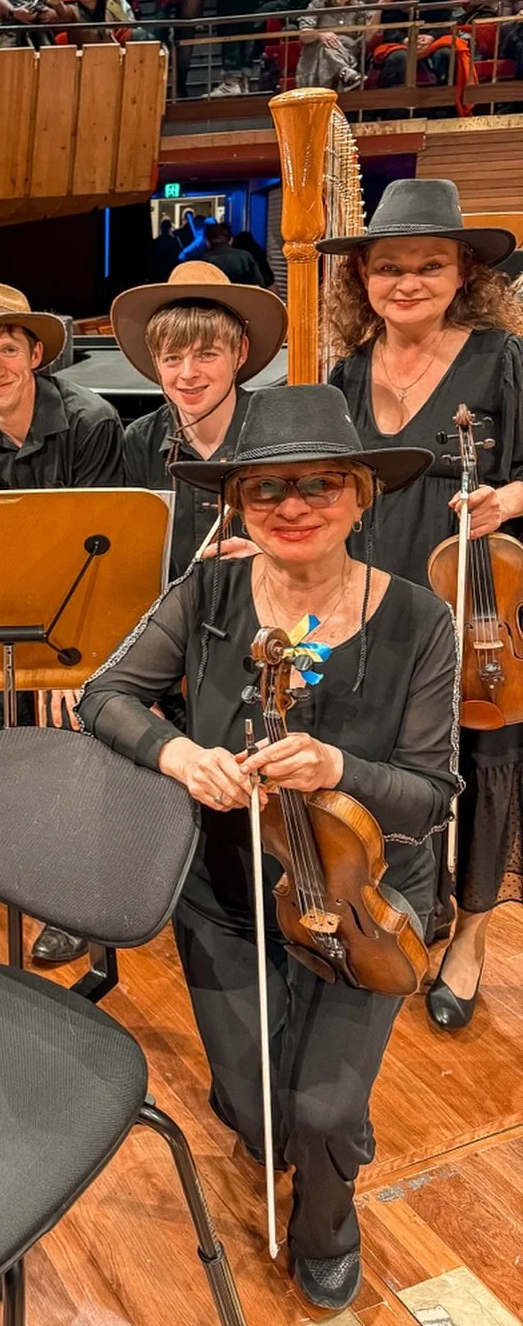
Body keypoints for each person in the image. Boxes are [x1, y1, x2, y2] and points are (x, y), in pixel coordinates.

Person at [80, 381, 455, 1313]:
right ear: (237, 504)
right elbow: (105, 695)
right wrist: (176, 752)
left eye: (320, 485)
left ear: (361, 496)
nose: (293, 507)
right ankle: (278, 1129)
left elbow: (432, 795)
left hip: (363, 904)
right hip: (229, 889)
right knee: (254, 1108)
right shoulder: (206, 592)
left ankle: (330, 1222)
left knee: (324, 1114)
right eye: (266, 490)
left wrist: (338, 767)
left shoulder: (421, 620)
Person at [324, 180, 523, 1033]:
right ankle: (408, 902)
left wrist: (508, 503)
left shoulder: (502, 358)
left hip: (478, 604)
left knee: (487, 763)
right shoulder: (348, 370)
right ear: (363, 277)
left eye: (429, 266)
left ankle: (470, 937)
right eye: (389, 267)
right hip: (376, 599)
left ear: (463, 271)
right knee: (386, 758)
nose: (408, 282)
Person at [0, 281, 125, 963]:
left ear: (35, 351)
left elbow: (100, 547)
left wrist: (77, 665)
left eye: (7, 349)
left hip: (83, 611)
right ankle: (26, 872)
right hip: (7, 614)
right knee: (2, 735)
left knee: (78, 742)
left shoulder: (92, 422)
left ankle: (78, 894)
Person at [111, 260, 287, 579]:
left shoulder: (280, 430)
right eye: (173, 358)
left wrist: (270, 559)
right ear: (156, 362)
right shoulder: (140, 441)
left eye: (206, 354)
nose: (188, 373)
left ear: (240, 351)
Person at [372, 0, 456, 89]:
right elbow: (389, 30)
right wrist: (404, 40)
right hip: (401, 44)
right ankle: (394, 108)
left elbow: (444, 22)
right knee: (399, 57)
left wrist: (431, 37)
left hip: (430, 42)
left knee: (446, 54)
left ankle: (447, 105)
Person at [297, 0, 379, 90]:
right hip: (316, 64)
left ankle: (345, 73)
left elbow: (365, 39)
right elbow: (304, 35)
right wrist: (320, 35)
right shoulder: (318, 6)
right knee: (325, 47)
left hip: (347, 56)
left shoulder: (358, 9)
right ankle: (345, 74)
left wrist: (380, 8)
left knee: (330, 48)